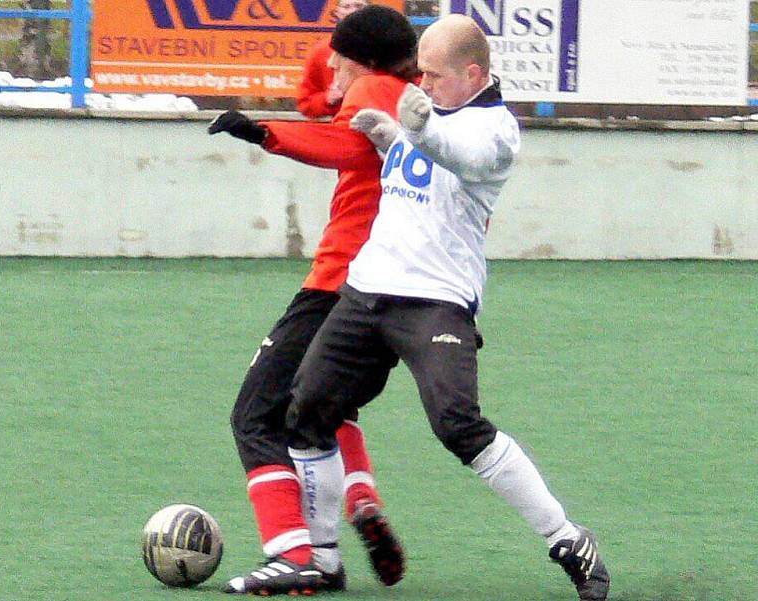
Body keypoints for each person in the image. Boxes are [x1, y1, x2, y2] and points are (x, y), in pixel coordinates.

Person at [284, 14, 611, 601]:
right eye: (420, 73)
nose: (423, 84)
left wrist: (417, 130)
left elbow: (458, 156)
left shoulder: (496, 128)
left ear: (473, 73)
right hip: (368, 288)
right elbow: (417, 174)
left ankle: (566, 538)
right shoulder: (428, 107)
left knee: (459, 425)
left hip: (435, 302)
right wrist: (391, 140)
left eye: (434, 75)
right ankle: (323, 560)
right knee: (306, 413)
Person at [207, 6, 419, 595]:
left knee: (255, 414)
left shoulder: (376, 89)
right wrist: (339, 59)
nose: (328, 64)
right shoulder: (407, 90)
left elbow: (342, 146)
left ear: (368, 63)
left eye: (340, 57)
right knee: (324, 408)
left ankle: (294, 553)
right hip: (394, 288)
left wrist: (262, 133)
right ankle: (358, 496)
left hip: (339, 283)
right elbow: (317, 101)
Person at [296, 0, 369, 118]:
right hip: (342, 127)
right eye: (346, 6)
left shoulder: (388, 48)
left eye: (359, 6)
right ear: (337, 12)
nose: (353, 11)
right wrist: (328, 98)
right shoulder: (321, 51)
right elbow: (306, 105)